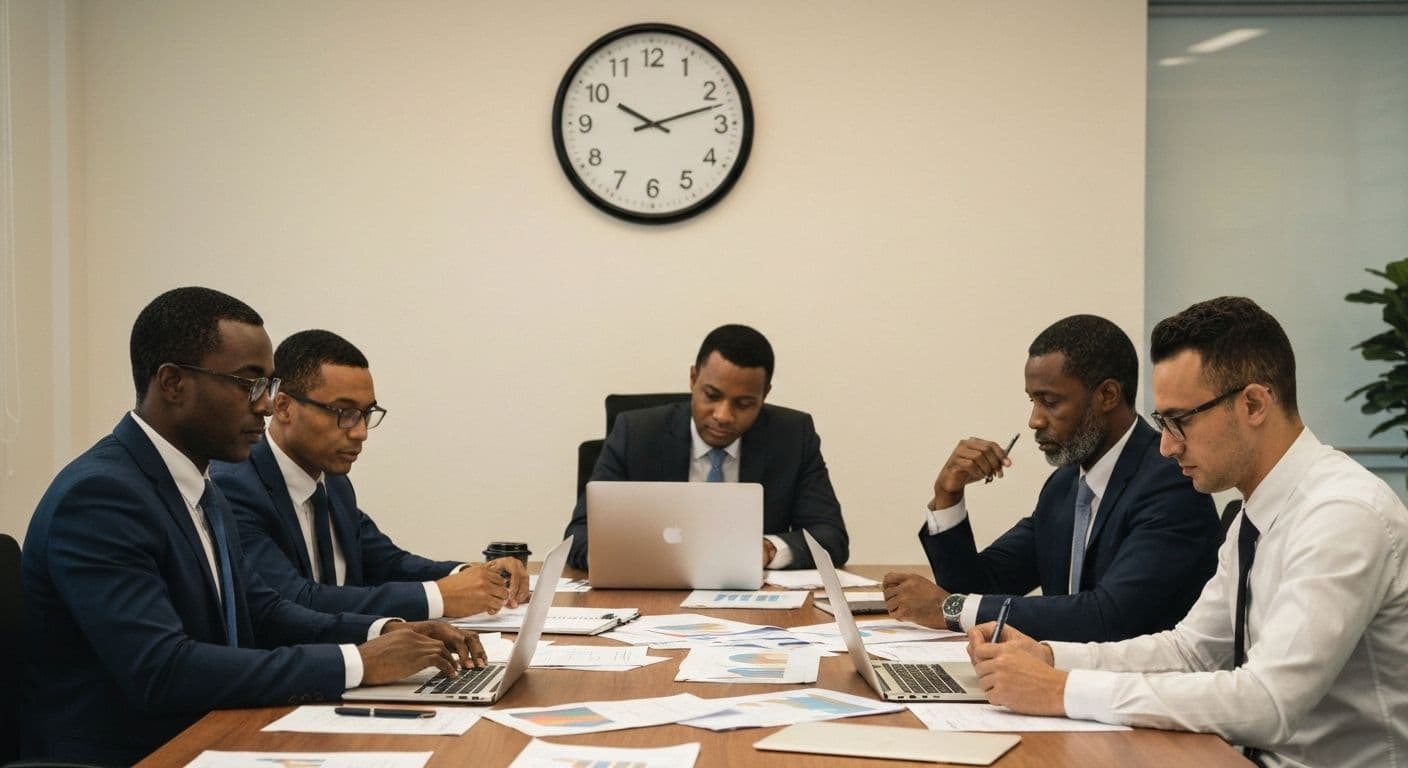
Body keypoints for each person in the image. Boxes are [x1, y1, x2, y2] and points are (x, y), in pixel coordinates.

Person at [21, 288, 485, 765]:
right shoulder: (101, 497)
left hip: (213, 730)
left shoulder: (201, 486)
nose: (265, 405)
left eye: (268, 385)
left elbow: (263, 612)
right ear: (173, 383)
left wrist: (386, 631)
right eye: (249, 384)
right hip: (137, 753)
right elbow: (161, 669)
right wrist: (357, 664)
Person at [970, 297, 1408, 768]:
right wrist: (1051, 657)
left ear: (1254, 404)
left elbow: (1267, 703)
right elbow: (1192, 651)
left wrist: (1064, 690)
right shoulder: (1255, 514)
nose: (1167, 444)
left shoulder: (1342, 515)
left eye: (1180, 420)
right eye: (1162, 422)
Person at [883, 315, 1220, 642]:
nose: (1034, 420)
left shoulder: (1171, 482)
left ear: (1107, 395)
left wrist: (949, 607)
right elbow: (977, 588)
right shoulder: (1065, 485)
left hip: (1142, 690)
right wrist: (948, 494)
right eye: (1033, 401)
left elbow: (1108, 616)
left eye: (1050, 401)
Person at [212, 329, 528, 619]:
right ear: (283, 407)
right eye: (344, 414)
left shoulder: (334, 483)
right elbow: (294, 600)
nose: (361, 432)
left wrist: (473, 573)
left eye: (366, 414)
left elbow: (390, 564)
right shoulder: (234, 486)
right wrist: (437, 596)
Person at [563, 324, 848, 571]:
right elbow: (579, 535)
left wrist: (767, 548)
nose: (723, 415)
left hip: (754, 608)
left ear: (765, 395)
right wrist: (634, 557)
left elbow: (830, 536)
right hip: (648, 601)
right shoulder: (635, 434)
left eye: (744, 403)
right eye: (712, 395)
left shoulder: (792, 437)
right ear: (692, 378)